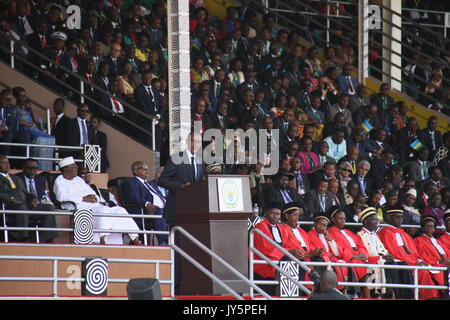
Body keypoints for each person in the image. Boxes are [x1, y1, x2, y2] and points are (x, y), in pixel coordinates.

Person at [53, 157, 141, 245]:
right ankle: (102, 239)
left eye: (76, 167)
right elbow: (61, 197)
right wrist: (83, 199)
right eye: (73, 167)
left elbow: (92, 193)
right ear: (65, 169)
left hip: (93, 205)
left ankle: (135, 239)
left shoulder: (79, 180)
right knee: (103, 211)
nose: (76, 169)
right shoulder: (59, 181)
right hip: (77, 207)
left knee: (120, 210)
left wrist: (94, 198)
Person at [377, 206, 440, 299]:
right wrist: (414, 262)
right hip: (401, 263)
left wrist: (418, 260)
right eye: (397, 217)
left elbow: (414, 253)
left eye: (402, 217)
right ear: (389, 218)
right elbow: (394, 252)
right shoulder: (385, 232)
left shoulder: (404, 234)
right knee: (422, 272)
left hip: (413, 262)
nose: (401, 219)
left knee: (433, 271)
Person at [122, 162, 169, 245]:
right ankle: (164, 242)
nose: (146, 170)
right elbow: (133, 196)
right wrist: (147, 204)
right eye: (143, 168)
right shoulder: (131, 182)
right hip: (145, 210)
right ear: (136, 171)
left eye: (147, 168)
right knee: (160, 211)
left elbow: (160, 196)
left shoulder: (150, 184)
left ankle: (178, 240)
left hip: (163, 207)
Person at [252, 201, 294, 296]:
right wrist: (288, 252)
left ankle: (290, 294)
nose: (275, 217)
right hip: (265, 261)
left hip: (279, 259)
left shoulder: (282, 228)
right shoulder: (260, 227)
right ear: (267, 213)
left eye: (278, 214)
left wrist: (292, 252)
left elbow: (289, 244)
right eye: (273, 213)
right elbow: (266, 248)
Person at [327, 207, 370, 297]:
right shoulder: (331, 232)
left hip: (357, 258)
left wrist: (362, 254)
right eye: (340, 219)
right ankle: (366, 297)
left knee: (370, 266)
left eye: (344, 219)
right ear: (333, 219)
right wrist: (354, 256)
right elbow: (338, 250)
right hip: (347, 259)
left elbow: (361, 245)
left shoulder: (348, 232)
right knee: (365, 268)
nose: (343, 221)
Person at [356, 207, 395, 298]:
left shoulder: (375, 235)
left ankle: (399, 293)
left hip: (380, 259)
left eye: (377, 219)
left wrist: (387, 255)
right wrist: (381, 258)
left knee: (400, 263)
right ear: (366, 222)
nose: (377, 222)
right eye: (374, 219)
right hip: (371, 260)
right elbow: (367, 253)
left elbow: (382, 249)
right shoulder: (360, 235)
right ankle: (384, 293)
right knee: (387, 264)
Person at [414, 215, 449, 298]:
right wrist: (438, 262)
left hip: (444, 264)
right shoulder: (418, 240)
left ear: (434, 228)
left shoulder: (438, 241)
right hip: (433, 265)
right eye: (427, 226)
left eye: (431, 226)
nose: (429, 228)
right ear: (423, 228)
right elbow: (421, 256)